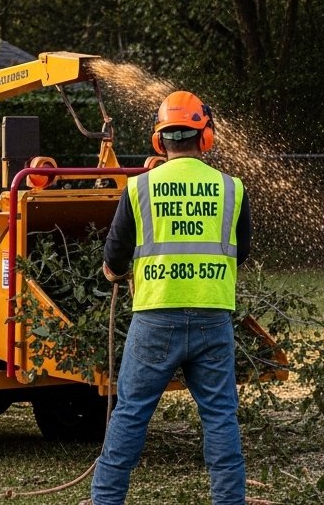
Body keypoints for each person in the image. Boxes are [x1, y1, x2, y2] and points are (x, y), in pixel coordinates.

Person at [90, 90, 251, 505]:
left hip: (154, 319)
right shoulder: (232, 189)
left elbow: (115, 254)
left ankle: (105, 501)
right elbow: (241, 251)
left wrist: (115, 273)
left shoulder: (140, 188)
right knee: (219, 416)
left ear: (159, 141)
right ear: (206, 137)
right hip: (213, 317)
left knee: (130, 414)